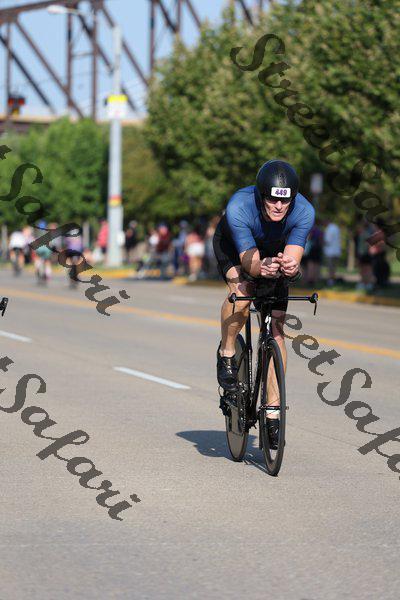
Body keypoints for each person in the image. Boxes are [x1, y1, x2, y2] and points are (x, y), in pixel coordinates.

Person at [213, 160, 314, 448]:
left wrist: (290, 267)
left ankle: (272, 411)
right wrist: (260, 268)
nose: (279, 206)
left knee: (276, 327)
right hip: (235, 247)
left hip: (274, 250)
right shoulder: (239, 206)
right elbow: (250, 263)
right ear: (260, 195)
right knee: (242, 291)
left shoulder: (304, 211)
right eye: (272, 199)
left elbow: (293, 256)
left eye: (285, 201)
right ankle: (227, 352)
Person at [323, 219, 341, 286]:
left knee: (330, 267)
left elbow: (327, 240)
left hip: (330, 252)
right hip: (337, 251)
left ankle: (330, 281)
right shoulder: (336, 227)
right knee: (334, 267)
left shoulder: (329, 229)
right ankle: (332, 280)